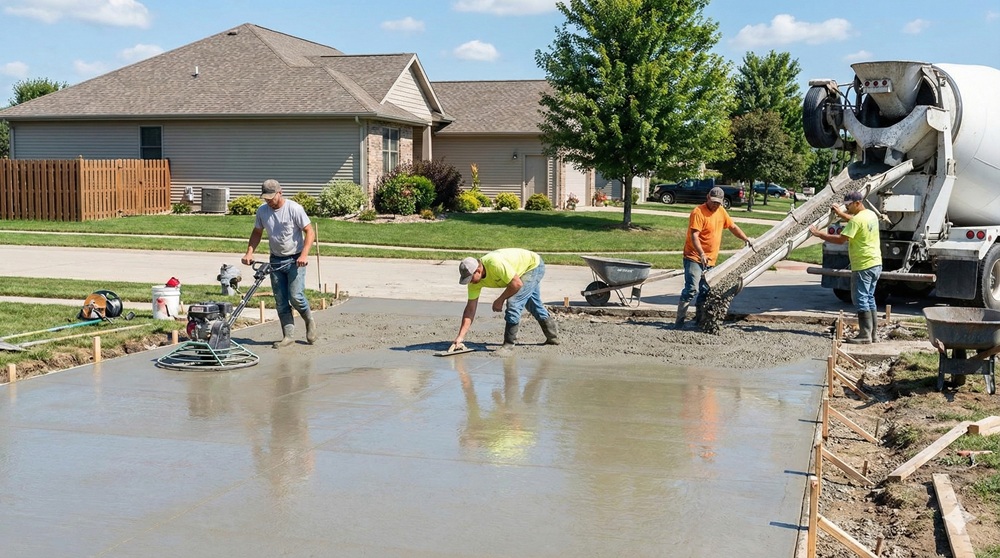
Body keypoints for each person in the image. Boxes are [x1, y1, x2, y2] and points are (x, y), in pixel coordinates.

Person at [242, 179, 317, 348]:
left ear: (280, 193)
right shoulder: (262, 211)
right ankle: (288, 336)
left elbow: (309, 232)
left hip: (295, 259)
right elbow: (257, 232)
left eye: (271, 197)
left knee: (296, 296)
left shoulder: (294, 209)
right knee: (281, 300)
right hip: (275, 260)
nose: (268, 201)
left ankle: (309, 319)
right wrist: (249, 252)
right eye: (266, 198)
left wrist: (304, 255)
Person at [449, 248, 559, 351]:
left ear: (478, 270)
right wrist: (460, 338)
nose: (470, 282)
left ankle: (509, 344)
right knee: (532, 304)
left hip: (532, 265)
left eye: (470, 278)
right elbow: (470, 310)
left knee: (513, 302)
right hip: (518, 271)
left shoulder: (495, 264)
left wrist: (500, 299)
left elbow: (516, 284)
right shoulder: (474, 283)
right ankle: (553, 337)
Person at [809, 190, 882, 344]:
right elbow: (855, 220)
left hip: (862, 264)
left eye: (848, 205)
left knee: (861, 298)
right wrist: (841, 214)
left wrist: (818, 234)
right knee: (869, 297)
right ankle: (873, 335)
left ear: (857, 203)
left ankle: (865, 335)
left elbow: (841, 240)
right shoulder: (870, 215)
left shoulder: (856, 221)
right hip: (875, 263)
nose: (847, 208)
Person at [675, 187, 753, 328]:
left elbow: (732, 226)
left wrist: (745, 238)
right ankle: (679, 322)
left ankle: (698, 321)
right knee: (692, 288)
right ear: (707, 197)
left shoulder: (721, 212)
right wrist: (701, 253)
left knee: (705, 291)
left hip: (711, 259)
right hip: (694, 257)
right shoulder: (698, 212)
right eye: (713, 202)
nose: (715, 205)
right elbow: (694, 236)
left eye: (718, 203)